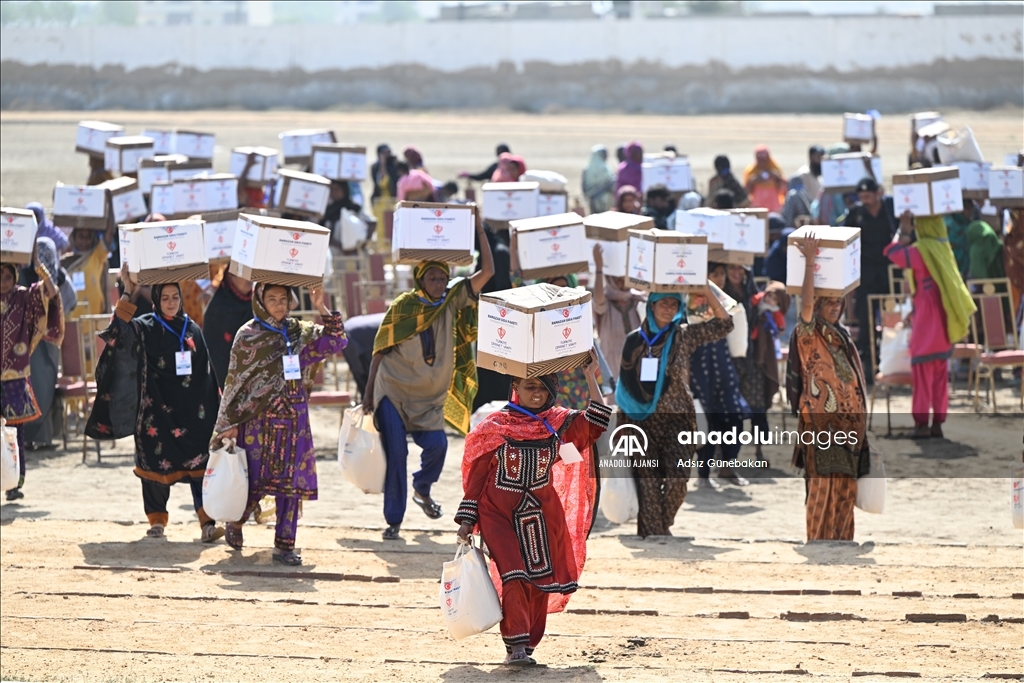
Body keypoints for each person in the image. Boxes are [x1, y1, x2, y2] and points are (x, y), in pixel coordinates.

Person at [455, 364, 609, 666]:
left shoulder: (560, 424)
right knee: (514, 574)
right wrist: (466, 521)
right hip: (498, 515)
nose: (536, 393)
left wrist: (590, 374)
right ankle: (515, 647)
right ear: (516, 387)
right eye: (529, 386)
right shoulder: (495, 427)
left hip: (543, 516)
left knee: (540, 581)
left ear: (551, 390)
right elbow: (477, 479)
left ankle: (528, 642)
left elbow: (598, 420)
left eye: (542, 387)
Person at [364, 216, 495, 540]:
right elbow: (379, 350)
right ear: (421, 279)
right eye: (432, 277)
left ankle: (422, 488)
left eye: (442, 277)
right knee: (397, 453)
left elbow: (488, 271)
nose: (438, 283)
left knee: (437, 446)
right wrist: (368, 395)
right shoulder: (404, 305)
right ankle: (393, 521)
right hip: (392, 391)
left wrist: (478, 229)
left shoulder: (453, 300)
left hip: (429, 398)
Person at [213, 283, 347, 564]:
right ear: (260, 301)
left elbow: (337, 341)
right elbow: (235, 382)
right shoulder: (247, 335)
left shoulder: (300, 332)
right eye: (271, 298)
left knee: (291, 486)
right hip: (257, 422)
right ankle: (236, 522)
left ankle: (285, 546)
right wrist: (230, 422)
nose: (279, 304)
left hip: (294, 420)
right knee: (254, 481)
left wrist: (321, 305)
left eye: (283, 299)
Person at [84, 268, 221, 540]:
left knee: (201, 466)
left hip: (193, 414)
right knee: (154, 465)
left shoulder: (192, 327)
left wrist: (214, 409)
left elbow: (207, 371)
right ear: (156, 301)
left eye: (175, 297)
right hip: (156, 412)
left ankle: (207, 523)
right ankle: (157, 521)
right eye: (165, 298)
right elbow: (117, 331)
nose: (171, 302)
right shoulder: (145, 327)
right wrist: (127, 289)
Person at [615, 287, 734, 538]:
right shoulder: (633, 340)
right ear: (652, 305)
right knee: (647, 482)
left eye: (674, 304)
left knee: (678, 479)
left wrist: (705, 290)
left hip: (678, 420)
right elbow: (626, 386)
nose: (669, 309)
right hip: (641, 422)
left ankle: (663, 524)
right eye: (663, 304)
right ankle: (654, 535)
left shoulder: (683, 336)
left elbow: (724, 324)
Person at [787, 233, 870, 541]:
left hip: (849, 426)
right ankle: (819, 542)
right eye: (829, 302)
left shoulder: (841, 336)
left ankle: (841, 542)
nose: (834, 307)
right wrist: (810, 262)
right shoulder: (809, 335)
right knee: (822, 487)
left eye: (838, 302)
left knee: (846, 488)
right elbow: (805, 302)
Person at [884, 213, 976, 438]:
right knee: (939, 376)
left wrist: (903, 231)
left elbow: (892, 253)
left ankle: (922, 425)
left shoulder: (922, 249)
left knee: (923, 374)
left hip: (927, 319)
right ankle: (937, 425)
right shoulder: (943, 248)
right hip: (942, 317)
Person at [1, 256, 62, 500]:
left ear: (15, 276)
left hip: (15, 376)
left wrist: (38, 263)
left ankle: (15, 482)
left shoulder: (24, 296)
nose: (3, 282)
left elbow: (50, 292)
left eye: (7, 277)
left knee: (15, 432)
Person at [691, 264, 751, 490]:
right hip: (700, 366)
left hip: (723, 365)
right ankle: (703, 474)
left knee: (733, 416)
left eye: (721, 274)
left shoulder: (728, 300)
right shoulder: (691, 301)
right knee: (706, 420)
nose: (720, 278)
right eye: (714, 274)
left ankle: (728, 467)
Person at [19, 238, 77, 450]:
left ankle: (42, 439)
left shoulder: (58, 276)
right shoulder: (23, 275)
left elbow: (67, 299)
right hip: (27, 341)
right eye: (38, 255)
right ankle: (27, 438)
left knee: (44, 388)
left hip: (50, 340)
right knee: (30, 388)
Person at [843, 176, 897, 365]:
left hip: (888, 273)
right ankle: (868, 363)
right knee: (865, 320)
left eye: (868, 196)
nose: (865, 200)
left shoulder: (890, 210)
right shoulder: (855, 214)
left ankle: (892, 358)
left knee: (893, 319)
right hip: (865, 274)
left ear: (877, 194)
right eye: (862, 196)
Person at [592, 244, 643, 385]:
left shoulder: (637, 299)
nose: (622, 285)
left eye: (625, 279)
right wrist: (599, 269)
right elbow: (598, 301)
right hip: (613, 360)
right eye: (618, 280)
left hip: (637, 359)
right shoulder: (606, 302)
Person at [201, 270, 254, 387]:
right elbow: (215, 354)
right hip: (227, 384)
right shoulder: (217, 307)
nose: (249, 278)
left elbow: (292, 303)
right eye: (244, 274)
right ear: (231, 277)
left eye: (252, 273)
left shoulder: (258, 303)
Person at [63, 224, 113, 317]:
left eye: (88, 237)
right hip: (73, 320)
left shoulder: (97, 256)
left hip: (95, 319)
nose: (84, 241)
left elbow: (109, 233)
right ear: (74, 237)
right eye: (81, 236)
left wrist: (108, 209)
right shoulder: (64, 262)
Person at [322, 180, 376, 254]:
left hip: (354, 253)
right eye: (333, 190)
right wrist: (340, 247)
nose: (335, 192)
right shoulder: (328, 210)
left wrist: (363, 244)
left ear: (344, 190)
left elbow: (372, 222)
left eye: (338, 189)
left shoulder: (353, 207)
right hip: (334, 253)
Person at [743, 145, 786, 213]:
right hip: (757, 207)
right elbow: (746, 192)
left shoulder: (775, 169)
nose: (762, 163)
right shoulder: (751, 171)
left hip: (773, 207)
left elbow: (784, 189)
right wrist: (752, 181)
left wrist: (777, 178)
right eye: (760, 160)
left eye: (764, 160)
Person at [943, 199, 980, 279]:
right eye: (967, 208)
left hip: (967, 267)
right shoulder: (949, 224)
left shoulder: (970, 224)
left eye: (971, 209)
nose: (970, 212)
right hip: (951, 265)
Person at [582, 144, 616, 214]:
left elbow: (584, 186)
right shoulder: (606, 169)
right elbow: (611, 184)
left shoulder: (587, 169)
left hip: (592, 200)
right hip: (605, 200)